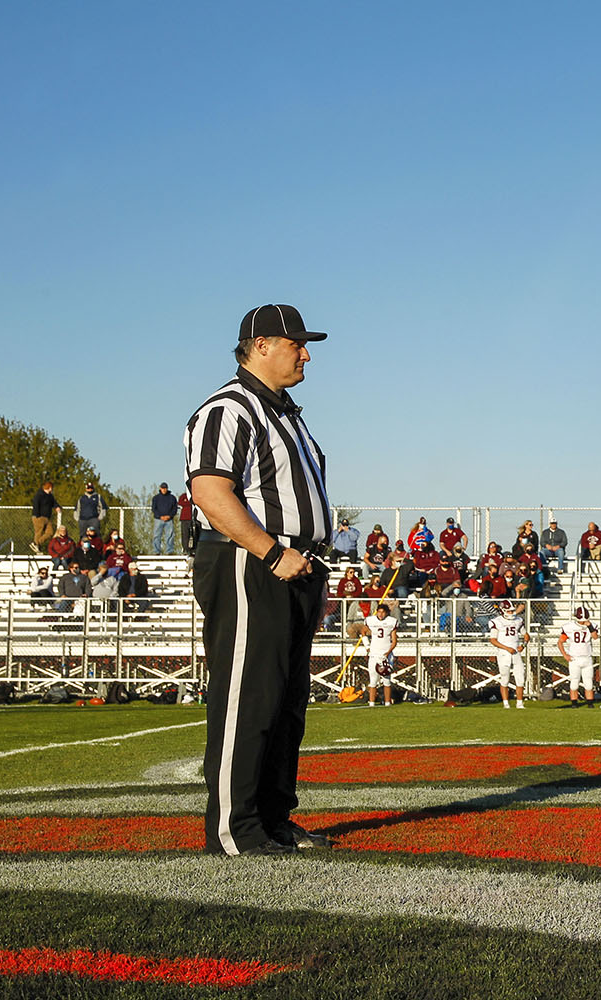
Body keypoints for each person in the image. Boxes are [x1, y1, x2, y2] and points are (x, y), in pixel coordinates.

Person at [184, 303, 334, 857]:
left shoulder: (287, 413)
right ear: (262, 344)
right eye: (296, 343)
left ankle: (272, 818)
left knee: (286, 702)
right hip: (253, 562)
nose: (306, 353)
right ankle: (235, 827)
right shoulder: (229, 409)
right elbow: (210, 491)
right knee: (250, 694)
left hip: (297, 566)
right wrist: (271, 553)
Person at [490, 599, 529, 708]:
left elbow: (526, 636)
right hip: (503, 653)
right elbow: (493, 640)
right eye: (509, 611)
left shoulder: (518, 620)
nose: (511, 613)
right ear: (502, 610)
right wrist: (506, 648)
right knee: (505, 678)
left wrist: (523, 646)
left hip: (516, 653)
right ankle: (506, 703)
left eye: (512, 611)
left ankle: (520, 703)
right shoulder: (497, 621)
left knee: (520, 677)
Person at [559, 606, 600, 706]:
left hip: (587, 657)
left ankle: (590, 703)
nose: (582, 622)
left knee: (589, 682)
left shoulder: (591, 625)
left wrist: (590, 626)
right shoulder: (569, 626)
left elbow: (595, 637)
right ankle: (574, 703)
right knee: (574, 681)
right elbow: (560, 642)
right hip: (574, 658)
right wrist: (565, 655)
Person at [359, 603, 399, 707]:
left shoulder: (391, 621)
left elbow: (394, 641)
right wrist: (367, 646)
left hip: (386, 654)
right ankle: (371, 703)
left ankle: (387, 703)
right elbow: (363, 631)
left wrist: (388, 652)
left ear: (387, 613)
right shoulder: (371, 620)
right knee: (373, 680)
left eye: (383, 612)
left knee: (387, 680)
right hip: (374, 654)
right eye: (379, 611)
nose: (380, 614)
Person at [31, 481, 60, 553]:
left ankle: (37, 543)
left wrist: (57, 507)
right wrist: (37, 515)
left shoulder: (50, 496)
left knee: (50, 532)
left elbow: (54, 503)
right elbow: (36, 505)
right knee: (39, 532)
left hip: (47, 517)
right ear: (49, 487)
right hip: (39, 517)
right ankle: (37, 548)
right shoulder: (39, 495)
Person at [151, 483, 178, 554]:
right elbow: (154, 509)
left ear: (167, 488)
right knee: (156, 535)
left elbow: (174, 509)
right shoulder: (156, 498)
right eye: (162, 488)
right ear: (160, 488)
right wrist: (160, 516)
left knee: (169, 536)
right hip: (158, 520)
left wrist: (169, 516)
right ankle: (156, 551)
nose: (164, 490)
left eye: (165, 488)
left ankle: (169, 551)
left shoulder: (172, 498)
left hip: (169, 520)